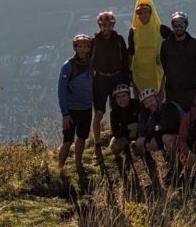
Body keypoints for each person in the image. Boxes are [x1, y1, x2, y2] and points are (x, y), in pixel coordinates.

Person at [90, 10, 129, 160]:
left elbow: (124, 61)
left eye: (109, 25)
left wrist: (125, 81)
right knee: (99, 113)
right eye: (103, 25)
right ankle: (97, 146)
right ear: (99, 26)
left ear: (113, 25)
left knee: (118, 110)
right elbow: (90, 63)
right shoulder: (94, 41)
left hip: (116, 79)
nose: (106, 28)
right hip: (100, 80)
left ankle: (119, 139)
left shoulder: (119, 40)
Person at [57, 33, 94, 171]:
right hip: (72, 110)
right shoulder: (68, 66)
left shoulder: (91, 64)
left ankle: (78, 164)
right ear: (75, 48)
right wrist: (65, 113)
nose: (83, 49)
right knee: (67, 141)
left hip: (86, 108)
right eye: (80, 46)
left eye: (86, 46)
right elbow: (61, 90)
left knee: (82, 137)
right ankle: (60, 167)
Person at [160, 12, 196, 112]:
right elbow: (164, 64)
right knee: (172, 121)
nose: (178, 27)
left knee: (190, 121)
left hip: (190, 92)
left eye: (181, 24)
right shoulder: (166, 45)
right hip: (171, 92)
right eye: (175, 25)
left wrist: (192, 83)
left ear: (186, 25)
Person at [127, 0, 166, 96]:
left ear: (150, 13)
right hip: (138, 72)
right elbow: (131, 51)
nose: (143, 15)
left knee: (159, 99)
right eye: (140, 13)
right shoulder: (133, 30)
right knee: (140, 100)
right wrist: (128, 71)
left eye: (146, 12)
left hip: (156, 71)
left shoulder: (160, 28)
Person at [135, 87, 183, 161]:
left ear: (157, 98)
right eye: (146, 103)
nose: (150, 104)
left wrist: (154, 131)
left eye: (151, 100)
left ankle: (176, 163)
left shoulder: (169, 106)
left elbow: (171, 127)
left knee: (167, 139)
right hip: (160, 135)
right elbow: (143, 132)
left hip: (180, 135)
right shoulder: (144, 114)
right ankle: (150, 161)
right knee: (139, 142)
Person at [109, 84, 139, 158]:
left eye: (124, 95)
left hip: (140, 132)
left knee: (140, 149)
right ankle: (126, 150)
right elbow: (115, 133)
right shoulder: (114, 112)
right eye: (118, 97)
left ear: (129, 96)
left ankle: (141, 148)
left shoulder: (137, 104)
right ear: (115, 100)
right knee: (114, 147)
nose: (122, 99)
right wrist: (128, 127)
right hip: (124, 135)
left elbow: (146, 120)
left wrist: (136, 127)